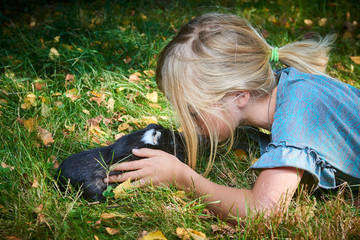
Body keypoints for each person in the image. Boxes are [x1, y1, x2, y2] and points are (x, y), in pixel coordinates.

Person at [104, 13, 360, 220]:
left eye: (193, 112)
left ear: (240, 95)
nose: (187, 124)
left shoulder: (297, 119)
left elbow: (263, 211)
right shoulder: (288, 87)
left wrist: (181, 176)